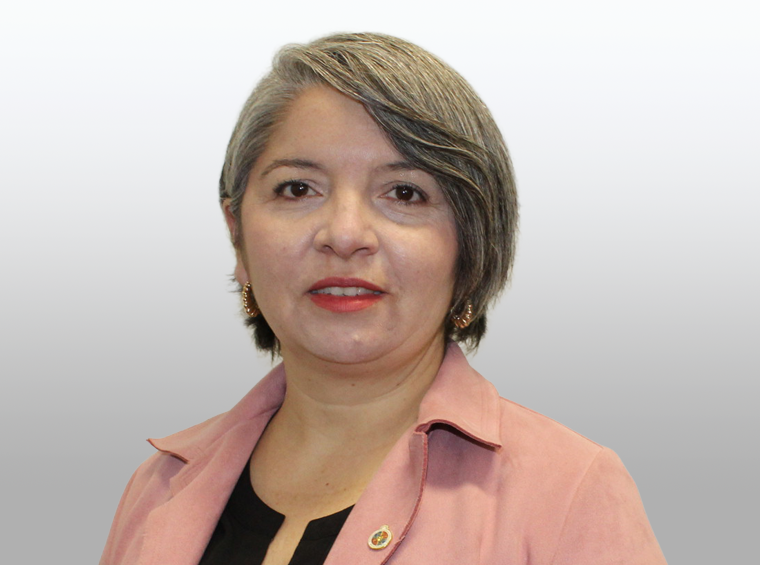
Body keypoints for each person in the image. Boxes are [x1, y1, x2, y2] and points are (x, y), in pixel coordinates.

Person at [99, 33, 666, 565]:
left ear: (471, 245)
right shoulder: (158, 487)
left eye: (404, 193)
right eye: (297, 188)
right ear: (237, 235)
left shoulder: (569, 491)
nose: (345, 234)